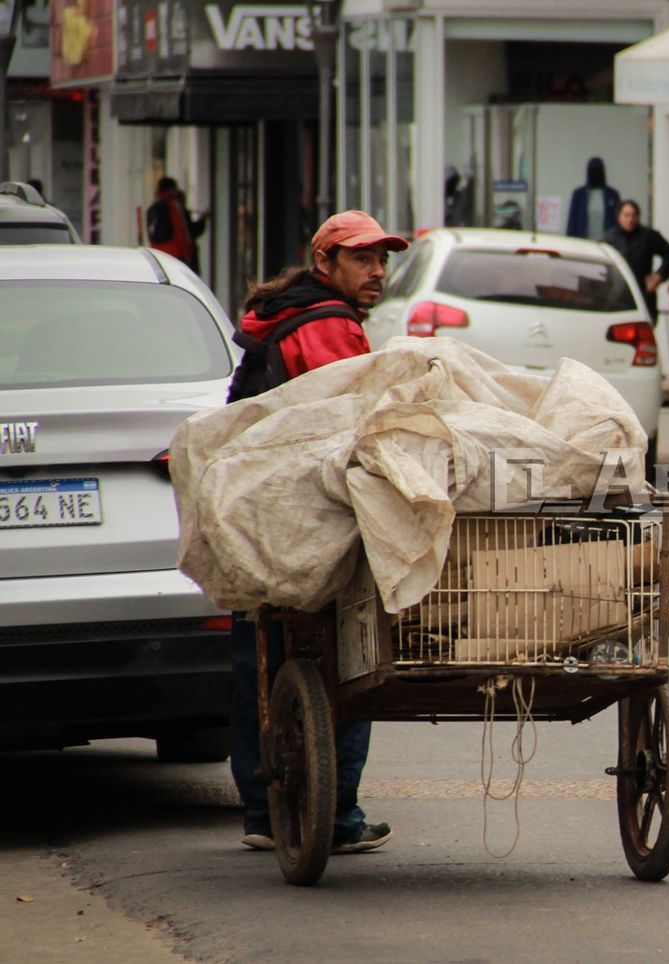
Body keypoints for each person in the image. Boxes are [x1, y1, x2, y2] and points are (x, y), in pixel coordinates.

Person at [227, 210, 409, 854]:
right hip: (312, 513)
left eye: (383, 260)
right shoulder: (328, 323)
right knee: (348, 656)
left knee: (262, 652)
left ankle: (260, 810)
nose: (378, 272)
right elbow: (352, 421)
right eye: (363, 259)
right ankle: (335, 817)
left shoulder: (279, 315)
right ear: (326, 262)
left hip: (261, 509)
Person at [603, 200, 669, 322]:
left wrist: (659, 275)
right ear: (619, 217)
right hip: (617, 296)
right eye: (626, 215)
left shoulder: (648, 236)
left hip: (643, 294)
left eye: (633, 215)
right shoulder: (609, 238)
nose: (630, 220)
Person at [146, 176, 208, 273]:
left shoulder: (153, 209)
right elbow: (188, 231)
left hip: (159, 257)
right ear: (171, 189)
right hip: (179, 257)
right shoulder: (174, 208)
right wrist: (203, 219)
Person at [566, 157, 620, 240]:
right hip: (583, 242)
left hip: (608, 243)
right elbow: (572, 222)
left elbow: (618, 221)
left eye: (598, 170)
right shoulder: (579, 194)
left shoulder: (612, 194)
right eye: (592, 170)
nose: (595, 174)